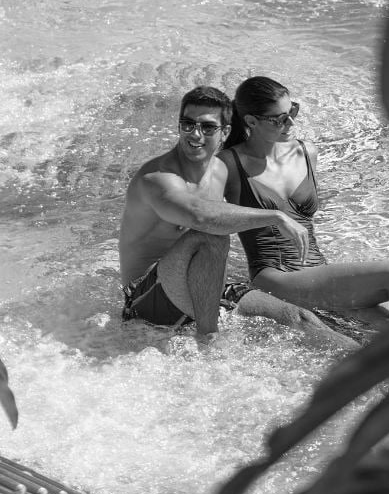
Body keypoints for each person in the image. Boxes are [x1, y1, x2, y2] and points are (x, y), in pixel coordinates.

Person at [118, 85, 357, 345]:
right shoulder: (159, 178)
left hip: (201, 287)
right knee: (211, 236)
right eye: (187, 124)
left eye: (207, 127)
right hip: (149, 298)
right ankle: (208, 339)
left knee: (302, 319)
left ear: (225, 132)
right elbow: (200, 217)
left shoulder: (221, 170)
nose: (195, 134)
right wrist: (275, 216)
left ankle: (378, 378)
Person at [221, 76, 389, 326]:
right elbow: (204, 212)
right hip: (276, 277)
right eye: (279, 118)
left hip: (317, 273)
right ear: (251, 121)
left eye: (292, 110)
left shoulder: (307, 152)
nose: (291, 122)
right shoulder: (230, 163)